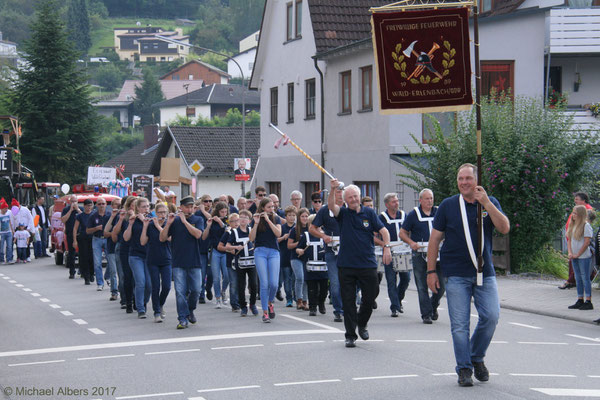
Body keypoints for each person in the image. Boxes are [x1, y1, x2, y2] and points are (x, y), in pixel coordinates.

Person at [427, 163, 510, 387]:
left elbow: (504, 228)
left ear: (476, 180)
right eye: (460, 179)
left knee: (491, 316)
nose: (464, 182)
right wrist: (431, 270)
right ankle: (464, 368)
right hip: (455, 274)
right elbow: (434, 239)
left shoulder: (488, 201)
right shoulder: (448, 205)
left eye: (468, 178)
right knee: (460, 325)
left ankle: (476, 356)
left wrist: (487, 204)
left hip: (485, 272)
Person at [328, 179, 391, 348]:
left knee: (371, 296)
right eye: (350, 197)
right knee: (348, 301)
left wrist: (387, 247)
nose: (353, 199)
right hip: (346, 265)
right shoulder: (342, 213)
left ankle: (362, 323)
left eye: (355, 196)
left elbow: (383, 231)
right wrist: (333, 190)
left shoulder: (369, 214)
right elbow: (331, 206)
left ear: (359, 196)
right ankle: (350, 335)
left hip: (367, 264)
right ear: (345, 200)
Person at [400, 189, 444, 324]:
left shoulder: (438, 212)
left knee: (442, 285)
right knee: (421, 285)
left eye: (431, 198)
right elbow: (402, 233)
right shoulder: (414, 215)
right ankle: (426, 314)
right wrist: (412, 243)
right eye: (427, 199)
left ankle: (433, 305)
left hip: (438, 253)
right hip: (420, 254)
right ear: (420, 200)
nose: (430, 201)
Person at [160, 196, 204, 329]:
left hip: (194, 261)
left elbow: (198, 235)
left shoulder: (198, 219)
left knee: (196, 290)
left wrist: (185, 222)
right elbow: (162, 238)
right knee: (180, 292)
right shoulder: (174, 221)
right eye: (187, 207)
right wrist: (168, 223)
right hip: (178, 261)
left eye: (191, 207)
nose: (189, 209)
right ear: (181, 208)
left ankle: (190, 310)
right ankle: (182, 318)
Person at [310, 189, 344, 323]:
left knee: (350, 282)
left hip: (349, 251)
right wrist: (324, 236)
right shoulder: (325, 211)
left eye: (342, 193)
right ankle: (338, 311)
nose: (340, 195)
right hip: (332, 252)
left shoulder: (350, 210)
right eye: (337, 193)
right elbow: (312, 228)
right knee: (335, 284)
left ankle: (348, 307)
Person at [376, 193, 411, 317]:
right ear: (387, 204)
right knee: (391, 280)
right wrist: (384, 245)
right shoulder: (381, 217)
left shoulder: (403, 215)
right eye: (393, 202)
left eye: (397, 201)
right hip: (389, 251)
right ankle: (394, 307)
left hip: (403, 251)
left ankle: (398, 299)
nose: (396, 203)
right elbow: (373, 235)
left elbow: (409, 230)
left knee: (406, 278)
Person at [249, 197, 282, 323]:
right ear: (263, 208)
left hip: (273, 251)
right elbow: (251, 238)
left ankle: (269, 302)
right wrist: (256, 223)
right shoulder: (256, 219)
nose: (271, 209)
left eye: (272, 207)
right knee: (264, 283)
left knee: (274, 283)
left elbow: (278, 234)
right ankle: (265, 312)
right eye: (269, 207)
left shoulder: (276, 218)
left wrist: (268, 220)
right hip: (260, 252)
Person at [141, 202, 171, 323]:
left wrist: (159, 226)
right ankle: (156, 312)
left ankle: (160, 304)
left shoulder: (169, 224)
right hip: (152, 259)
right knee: (155, 286)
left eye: (164, 212)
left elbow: (168, 238)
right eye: (160, 212)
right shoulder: (150, 226)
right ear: (155, 213)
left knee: (167, 286)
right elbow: (143, 242)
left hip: (166, 259)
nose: (162, 214)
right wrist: (145, 226)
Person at [124, 197, 152, 319]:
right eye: (143, 207)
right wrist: (130, 224)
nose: (146, 209)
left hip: (149, 255)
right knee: (140, 282)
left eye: (147, 206)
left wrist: (146, 221)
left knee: (149, 285)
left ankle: (143, 301)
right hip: (135, 255)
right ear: (138, 208)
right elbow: (126, 238)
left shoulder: (152, 219)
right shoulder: (133, 220)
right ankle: (140, 308)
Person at [227, 209, 259, 316]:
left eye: (245, 218)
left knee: (254, 284)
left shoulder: (251, 230)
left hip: (252, 261)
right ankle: (243, 306)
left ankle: (253, 304)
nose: (243, 219)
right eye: (241, 217)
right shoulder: (234, 232)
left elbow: (255, 240)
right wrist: (236, 247)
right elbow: (227, 246)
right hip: (240, 262)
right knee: (241, 285)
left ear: (249, 220)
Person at [560, 192, 594, 290]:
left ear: (583, 201)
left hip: (580, 243)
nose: (575, 201)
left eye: (577, 199)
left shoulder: (588, 210)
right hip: (572, 240)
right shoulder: (577, 209)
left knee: (580, 267)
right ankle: (573, 282)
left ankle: (571, 282)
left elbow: (587, 231)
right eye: (575, 199)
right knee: (573, 264)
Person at [298, 215, 328, 316]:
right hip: (310, 267)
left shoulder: (325, 236)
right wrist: (300, 251)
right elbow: (298, 248)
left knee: (324, 289)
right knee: (312, 289)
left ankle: (321, 302)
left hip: (323, 267)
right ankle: (313, 307)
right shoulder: (306, 236)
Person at [111, 196, 137, 313]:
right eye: (132, 205)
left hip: (138, 249)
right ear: (128, 206)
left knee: (138, 277)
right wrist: (121, 219)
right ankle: (128, 302)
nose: (134, 207)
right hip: (125, 248)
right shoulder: (124, 218)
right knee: (127, 276)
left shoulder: (142, 217)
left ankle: (137, 300)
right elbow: (114, 233)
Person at [203, 201, 230, 308]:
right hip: (215, 250)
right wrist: (208, 225)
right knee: (216, 277)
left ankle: (223, 291)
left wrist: (221, 223)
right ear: (217, 212)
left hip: (225, 251)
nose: (224, 214)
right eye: (222, 212)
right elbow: (204, 237)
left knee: (227, 275)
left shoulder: (228, 220)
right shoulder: (212, 221)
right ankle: (218, 298)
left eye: (225, 212)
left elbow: (229, 231)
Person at [566, 205, 594, 311]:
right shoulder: (572, 226)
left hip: (584, 257)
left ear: (581, 215)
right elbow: (569, 240)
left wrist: (578, 254)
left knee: (585, 278)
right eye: (573, 213)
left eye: (575, 213)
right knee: (578, 278)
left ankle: (588, 300)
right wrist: (570, 252)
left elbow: (587, 242)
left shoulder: (586, 226)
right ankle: (580, 299)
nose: (573, 215)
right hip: (574, 256)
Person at [86, 198, 110, 291]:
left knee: (111, 261)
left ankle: (107, 276)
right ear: (96, 205)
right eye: (99, 204)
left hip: (107, 239)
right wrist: (96, 228)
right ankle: (100, 283)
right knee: (97, 262)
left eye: (103, 203)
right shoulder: (93, 216)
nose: (101, 205)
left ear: (106, 204)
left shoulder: (109, 215)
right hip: (97, 239)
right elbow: (87, 230)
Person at [288, 208, 310, 311]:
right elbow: (289, 245)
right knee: (300, 277)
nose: (305, 218)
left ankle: (305, 301)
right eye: (302, 216)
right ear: (299, 218)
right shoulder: (295, 229)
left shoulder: (311, 229)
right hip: (296, 258)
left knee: (306, 279)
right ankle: (299, 300)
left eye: (306, 216)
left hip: (307, 258)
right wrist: (300, 243)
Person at [218, 213, 240, 312]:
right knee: (234, 282)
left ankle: (241, 301)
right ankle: (234, 304)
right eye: (233, 221)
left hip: (243, 261)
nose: (236, 223)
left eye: (237, 220)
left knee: (241, 282)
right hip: (231, 261)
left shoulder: (244, 231)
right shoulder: (228, 233)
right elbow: (220, 246)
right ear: (229, 223)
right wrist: (229, 249)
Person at [194, 195, 213, 303]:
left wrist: (204, 211)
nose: (208, 203)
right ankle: (201, 294)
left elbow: (212, 218)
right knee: (202, 272)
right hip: (201, 247)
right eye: (206, 201)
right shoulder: (198, 214)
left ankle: (208, 288)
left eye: (210, 201)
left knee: (211, 274)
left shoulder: (213, 212)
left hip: (211, 247)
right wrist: (200, 210)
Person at [103, 198, 121, 301]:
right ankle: (114, 292)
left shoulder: (124, 217)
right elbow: (105, 233)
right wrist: (115, 234)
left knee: (121, 273)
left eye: (120, 205)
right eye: (116, 205)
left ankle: (121, 290)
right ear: (112, 206)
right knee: (113, 272)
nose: (118, 207)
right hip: (111, 248)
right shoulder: (108, 217)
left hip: (121, 249)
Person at [73, 199, 94, 285]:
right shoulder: (80, 216)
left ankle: (92, 273)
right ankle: (86, 276)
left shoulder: (94, 215)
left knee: (92, 257)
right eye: (87, 205)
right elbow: (75, 228)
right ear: (84, 206)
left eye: (90, 205)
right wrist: (74, 240)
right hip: (83, 238)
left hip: (93, 238)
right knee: (84, 257)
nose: (89, 207)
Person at [279, 206, 296, 307]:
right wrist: (284, 237)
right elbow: (276, 240)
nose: (291, 217)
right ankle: (289, 298)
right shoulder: (282, 227)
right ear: (285, 216)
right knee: (287, 279)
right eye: (289, 215)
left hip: (295, 256)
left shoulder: (296, 227)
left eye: (293, 215)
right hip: (285, 256)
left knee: (295, 278)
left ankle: (296, 295)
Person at [61, 195, 82, 279]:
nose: (74, 203)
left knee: (82, 253)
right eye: (72, 201)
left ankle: (82, 270)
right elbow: (63, 220)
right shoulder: (66, 210)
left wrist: (77, 209)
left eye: (75, 201)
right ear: (70, 202)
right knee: (71, 253)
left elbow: (84, 217)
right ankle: (72, 271)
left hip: (80, 233)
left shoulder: (81, 209)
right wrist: (70, 210)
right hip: (70, 233)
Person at [0, 199, 14, 264]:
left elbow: (10, 222)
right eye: (5, 208)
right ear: (2, 209)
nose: (6, 209)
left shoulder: (8, 213)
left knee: (9, 246)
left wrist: (12, 230)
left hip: (8, 232)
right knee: (1, 247)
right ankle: (2, 259)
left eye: (7, 208)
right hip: (1, 233)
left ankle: (9, 259)